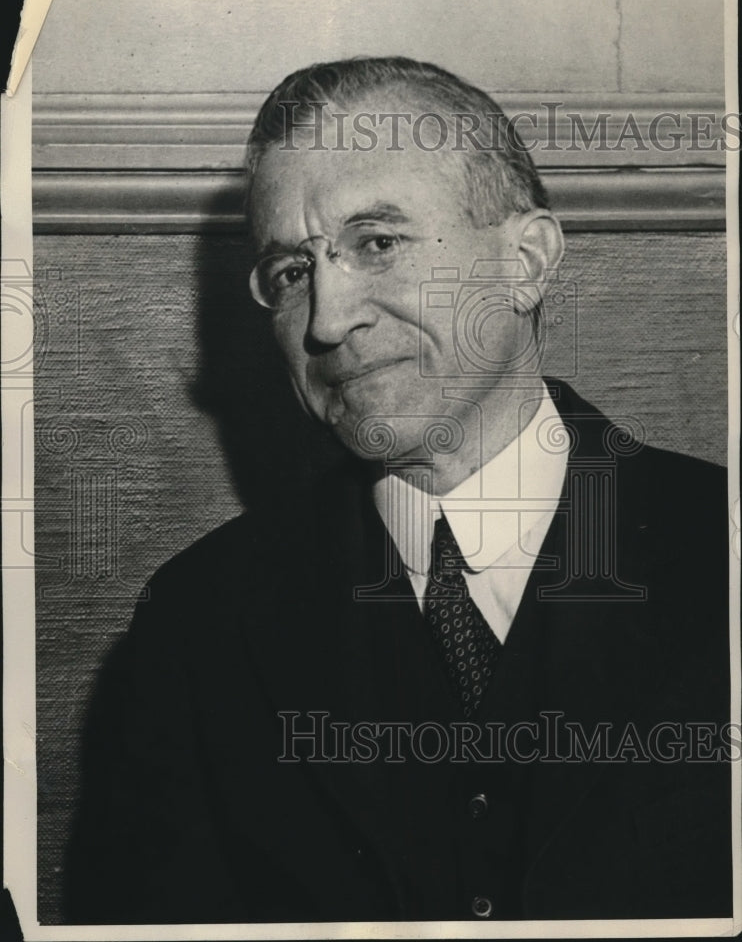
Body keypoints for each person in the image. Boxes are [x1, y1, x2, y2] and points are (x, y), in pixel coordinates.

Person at [65, 57, 732, 924]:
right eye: (291, 273)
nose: (328, 321)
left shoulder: (722, 551)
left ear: (526, 261)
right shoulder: (195, 623)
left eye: (377, 243)